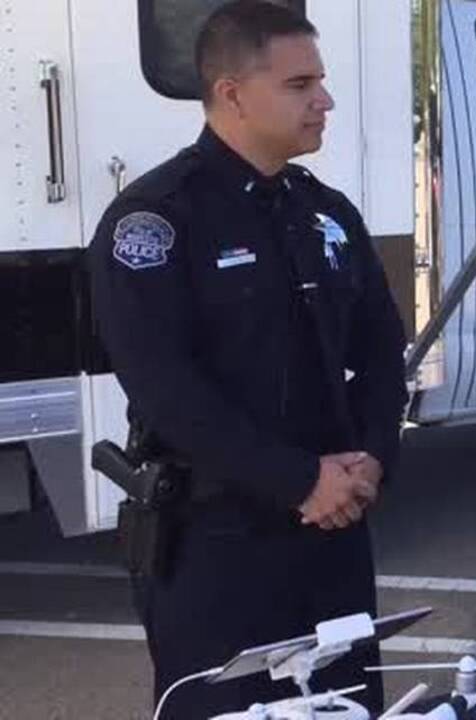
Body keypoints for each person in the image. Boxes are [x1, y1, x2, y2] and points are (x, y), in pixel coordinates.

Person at [87, 2, 407, 715]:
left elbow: (384, 350)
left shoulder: (326, 212)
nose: (324, 99)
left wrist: (374, 455)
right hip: (220, 547)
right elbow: (166, 388)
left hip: (334, 537)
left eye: (321, 80)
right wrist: (297, 480)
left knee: (347, 707)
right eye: (300, 85)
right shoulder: (157, 220)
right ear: (231, 93)